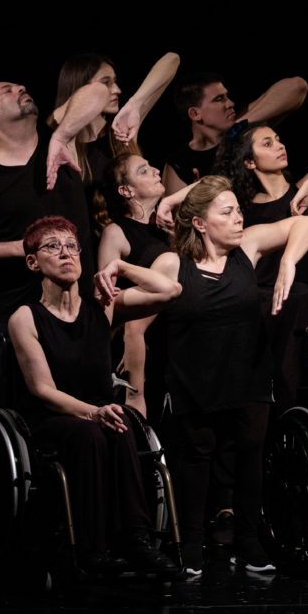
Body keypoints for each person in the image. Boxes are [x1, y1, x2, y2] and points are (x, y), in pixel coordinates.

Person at [151, 175, 308, 576]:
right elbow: (138, 321)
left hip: (250, 374)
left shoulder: (248, 248)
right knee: (198, 458)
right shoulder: (174, 263)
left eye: (239, 210)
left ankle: (248, 541)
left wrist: (289, 263)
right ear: (200, 223)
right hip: (196, 378)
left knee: (249, 456)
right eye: (227, 212)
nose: (238, 218)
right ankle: (191, 543)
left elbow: (306, 223)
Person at [7, 215, 182, 576]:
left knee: (120, 424)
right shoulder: (25, 318)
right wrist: (92, 412)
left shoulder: (102, 305)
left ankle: (136, 539)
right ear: (32, 262)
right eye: (53, 246)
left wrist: (119, 265)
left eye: (72, 245)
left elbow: (170, 291)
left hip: (101, 412)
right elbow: (43, 390)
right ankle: (92, 548)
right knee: (93, 431)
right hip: (53, 417)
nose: (66, 253)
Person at [0, 79, 102, 421]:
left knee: (85, 419)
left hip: (78, 313)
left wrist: (63, 137)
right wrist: (24, 247)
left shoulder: (59, 136)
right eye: (5, 90)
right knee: (1, 419)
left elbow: (96, 90)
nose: (20, 87)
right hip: (16, 315)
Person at [214, 120, 308, 409]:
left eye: (278, 139)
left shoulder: (305, 194)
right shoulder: (242, 209)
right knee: (255, 394)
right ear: (250, 162)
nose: (280, 146)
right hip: (258, 306)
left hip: (299, 302)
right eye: (267, 143)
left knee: (295, 391)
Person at [94, 153, 183, 421]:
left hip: (176, 341)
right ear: (126, 190)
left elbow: (216, 184)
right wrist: (136, 390)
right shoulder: (116, 232)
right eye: (144, 171)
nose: (156, 170)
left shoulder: (168, 229)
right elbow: (105, 300)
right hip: (138, 346)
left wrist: (170, 201)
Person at [47, 52, 180, 194]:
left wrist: (135, 103)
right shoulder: (61, 138)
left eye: (115, 81)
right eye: (106, 83)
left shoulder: (122, 129)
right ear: (80, 87)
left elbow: (172, 59)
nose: (117, 90)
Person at [163, 73, 308, 194]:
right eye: (219, 99)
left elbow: (298, 86)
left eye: (227, 96)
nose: (231, 103)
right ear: (195, 114)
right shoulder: (180, 163)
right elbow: (176, 222)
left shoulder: (243, 125)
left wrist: (238, 126)